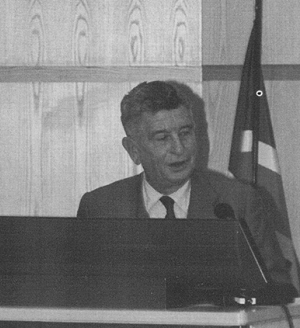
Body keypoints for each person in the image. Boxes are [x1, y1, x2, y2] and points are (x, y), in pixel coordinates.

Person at [77, 80, 295, 296]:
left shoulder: (237, 202)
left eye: (185, 133)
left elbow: (278, 290)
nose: (179, 148)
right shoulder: (100, 208)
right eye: (163, 138)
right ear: (133, 150)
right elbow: (81, 293)